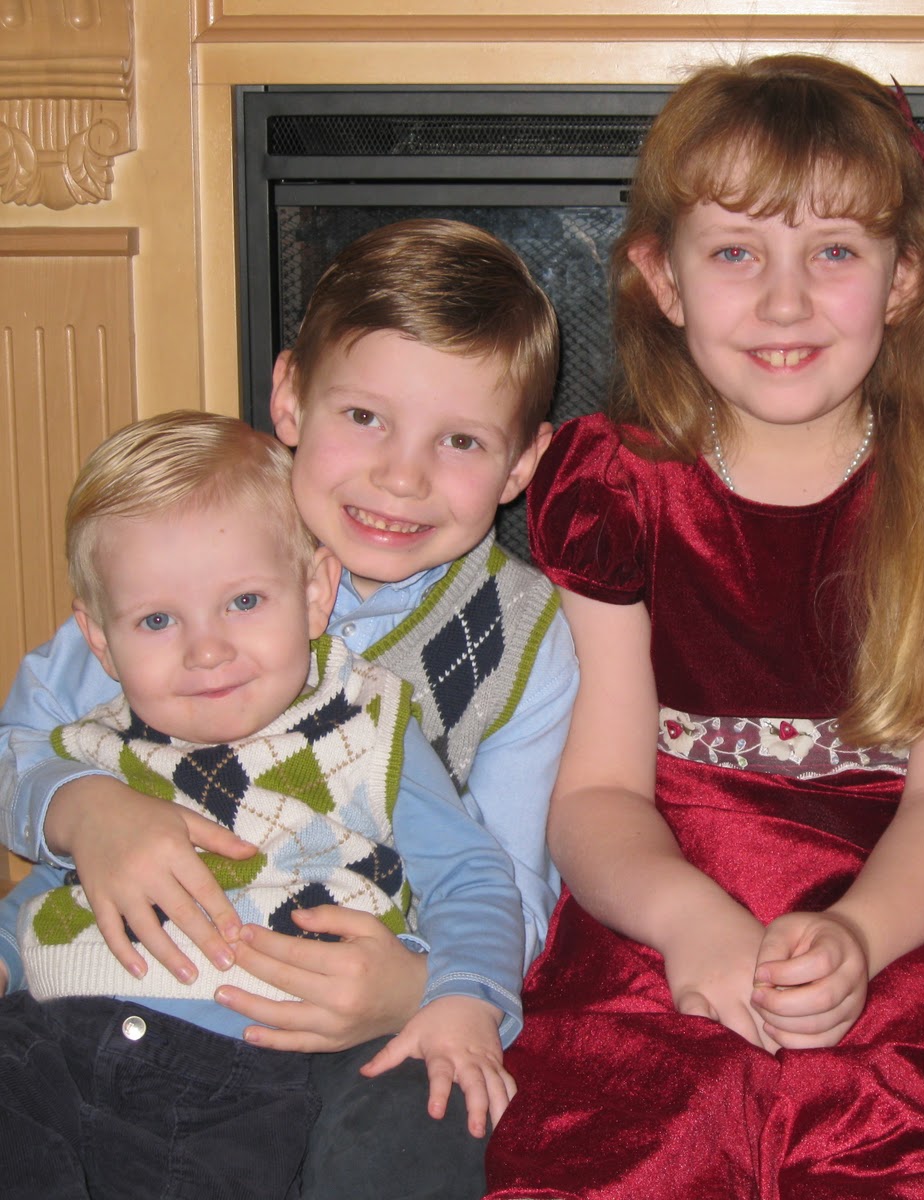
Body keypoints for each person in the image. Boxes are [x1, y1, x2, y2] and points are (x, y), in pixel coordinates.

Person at [483, 53, 924, 1199]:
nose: (783, 302)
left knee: (908, 1138)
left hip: (899, 908)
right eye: (735, 253)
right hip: (663, 906)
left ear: (903, 279)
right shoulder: (617, 487)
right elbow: (595, 795)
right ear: (662, 277)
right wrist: (688, 921)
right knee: (628, 1144)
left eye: (833, 252)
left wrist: (860, 937)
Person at [0, 219, 575, 1198]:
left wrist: (421, 985)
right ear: (290, 398)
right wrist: (81, 809)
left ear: (521, 465)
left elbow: (505, 879)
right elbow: (23, 744)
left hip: (355, 987)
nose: (402, 476)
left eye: (461, 441)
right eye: (364, 416)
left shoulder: (523, 637)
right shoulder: (177, 545)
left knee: (422, 1121)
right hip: (122, 988)